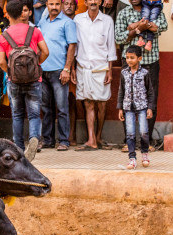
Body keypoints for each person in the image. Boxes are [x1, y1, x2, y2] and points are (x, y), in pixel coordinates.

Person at [0, 0, 49, 153]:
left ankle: (18, 147)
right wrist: (35, 66)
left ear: (7, 15)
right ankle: (34, 138)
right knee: (34, 114)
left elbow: (1, 61)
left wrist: (10, 72)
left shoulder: (3, 36)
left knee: (17, 114)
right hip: (34, 80)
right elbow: (45, 52)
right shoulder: (34, 31)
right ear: (21, 13)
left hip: (13, 81)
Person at [115, 0, 167, 152]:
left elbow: (163, 25)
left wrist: (139, 26)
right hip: (129, 63)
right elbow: (118, 37)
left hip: (150, 62)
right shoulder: (124, 12)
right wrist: (140, 27)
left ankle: (147, 140)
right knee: (127, 100)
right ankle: (128, 141)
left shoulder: (155, 8)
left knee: (150, 100)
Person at [72, 0, 116, 151]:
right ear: (85, 2)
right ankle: (91, 140)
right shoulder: (78, 20)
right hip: (83, 67)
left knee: (101, 104)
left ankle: (98, 136)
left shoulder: (107, 21)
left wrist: (110, 70)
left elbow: (111, 46)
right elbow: (74, 45)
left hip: (101, 68)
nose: (93, 2)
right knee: (88, 103)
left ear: (100, 2)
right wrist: (72, 68)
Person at [38, 0, 77, 151]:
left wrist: (67, 68)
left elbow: (72, 45)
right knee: (46, 108)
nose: (54, 7)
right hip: (43, 70)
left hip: (60, 71)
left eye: (56, 4)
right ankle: (47, 140)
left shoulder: (68, 23)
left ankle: (63, 141)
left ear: (60, 5)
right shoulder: (42, 21)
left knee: (62, 108)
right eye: (51, 4)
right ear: (46, 5)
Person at [117, 46, 154, 169]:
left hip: (142, 106)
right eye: (127, 57)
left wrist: (150, 107)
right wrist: (120, 108)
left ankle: (144, 154)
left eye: (132, 58)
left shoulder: (145, 73)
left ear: (139, 58)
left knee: (144, 131)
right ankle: (132, 158)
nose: (129, 60)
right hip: (128, 107)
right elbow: (121, 91)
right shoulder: (124, 73)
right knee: (130, 133)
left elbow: (150, 92)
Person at [63, 0, 81, 146]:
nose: (68, 6)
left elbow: (75, 46)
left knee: (73, 102)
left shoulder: (79, 21)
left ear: (76, 6)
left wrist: (73, 67)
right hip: (59, 66)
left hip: (77, 65)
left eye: (71, 3)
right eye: (66, 3)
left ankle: (72, 135)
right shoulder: (56, 21)